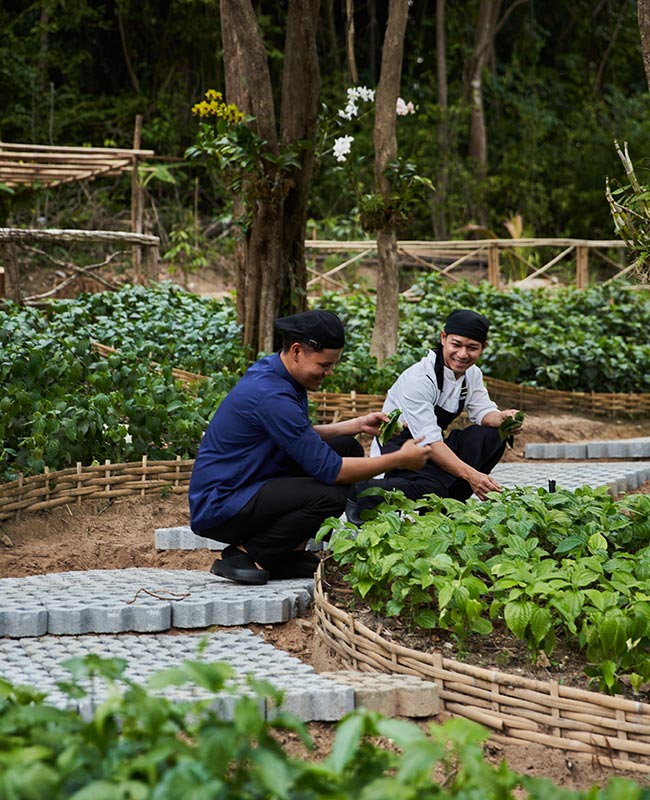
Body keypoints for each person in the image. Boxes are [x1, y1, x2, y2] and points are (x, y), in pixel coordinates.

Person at [188, 309, 431, 585]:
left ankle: (289, 552)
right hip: (223, 504)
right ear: (296, 351)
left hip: (250, 482)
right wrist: (399, 459)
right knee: (329, 496)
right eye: (324, 364)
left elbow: (296, 435)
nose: (329, 372)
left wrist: (357, 424)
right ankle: (247, 554)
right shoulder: (271, 394)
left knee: (346, 447)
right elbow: (332, 471)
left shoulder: (278, 373)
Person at [347, 308, 522, 522]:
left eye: (472, 348)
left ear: (483, 347)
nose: (463, 354)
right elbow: (429, 441)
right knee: (433, 487)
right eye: (456, 345)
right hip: (401, 453)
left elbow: (483, 411)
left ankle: (447, 505)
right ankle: (364, 491)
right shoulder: (419, 379)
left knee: (492, 435)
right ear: (443, 338)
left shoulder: (472, 374)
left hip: (431, 452)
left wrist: (503, 418)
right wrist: (472, 476)